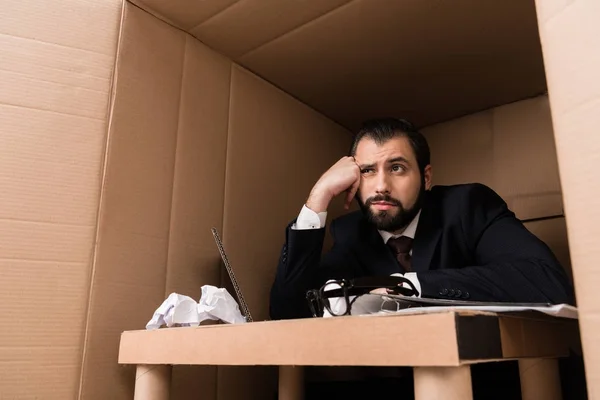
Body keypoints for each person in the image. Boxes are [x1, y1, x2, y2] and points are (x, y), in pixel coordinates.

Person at [269, 117, 575, 320]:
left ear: (425, 177)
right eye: (367, 171)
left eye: (397, 168)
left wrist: (406, 287)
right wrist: (317, 197)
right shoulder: (352, 232)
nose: (381, 186)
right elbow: (286, 311)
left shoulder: (467, 207)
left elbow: (547, 281)